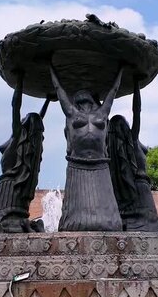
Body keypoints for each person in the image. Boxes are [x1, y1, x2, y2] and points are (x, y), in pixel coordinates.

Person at [50, 65, 124, 231]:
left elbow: (113, 91)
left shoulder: (102, 113)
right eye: (80, 97)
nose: (83, 98)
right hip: (78, 163)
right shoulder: (71, 112)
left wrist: (121, 69)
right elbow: (59, 89)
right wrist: (50, 67)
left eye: (86, 96)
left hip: (100, 163)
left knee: (109, 218)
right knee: (75, 218)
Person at [0, 71, 51, 234]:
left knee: (8, 219)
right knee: (10, 218)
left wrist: (20, 80)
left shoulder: (19, 137)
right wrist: (47, 99)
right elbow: (34, 117)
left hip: (9, 187)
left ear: (25, 124)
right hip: (14, 186)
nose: (22, 117)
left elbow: (16, 106)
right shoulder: (21, 139)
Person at [108, 75, 158, 232]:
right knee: (151, 228)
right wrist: (136, 85)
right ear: (125, 127)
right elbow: (136, 111)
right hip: (140, 187)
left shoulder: (112, 147)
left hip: (124, 191)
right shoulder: (132, 139)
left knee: (130, 224)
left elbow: (103, 117)